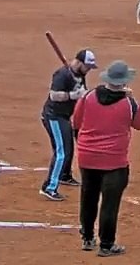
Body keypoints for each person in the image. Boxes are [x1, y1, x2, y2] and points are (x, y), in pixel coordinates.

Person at [72, 59, 140, 256]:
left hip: (87, 158)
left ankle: (87, 238)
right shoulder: (129, 103)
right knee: (109, 204)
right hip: (114, 162)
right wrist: (133, 100)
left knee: (88, 198)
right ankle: (106, 245)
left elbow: (76, 122)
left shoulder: (88, 97)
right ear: (124, 82)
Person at [40, 49, 98, 201]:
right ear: (79, 63)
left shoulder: (79, 75)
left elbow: (81, 92)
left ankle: (64, 175)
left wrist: (83, 94)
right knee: (62, 152)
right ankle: (49, 187)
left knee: (69, 148)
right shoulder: (62, 75)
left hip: (65, 116)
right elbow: (54, 95)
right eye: (87, 66)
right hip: (54, 116)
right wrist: (73, 95)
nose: (88, 70)